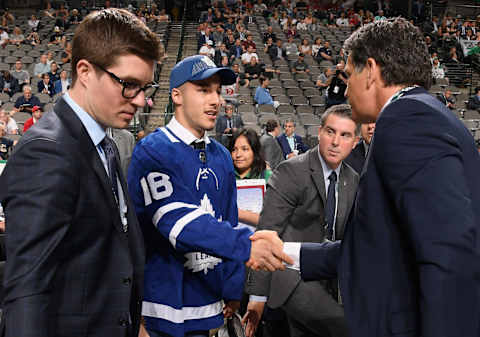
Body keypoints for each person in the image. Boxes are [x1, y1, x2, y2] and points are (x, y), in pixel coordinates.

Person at [255, 17, 480, 337]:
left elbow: (448, 253)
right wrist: (286, 252)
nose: (345, 89)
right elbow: (380, 247)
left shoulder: (408, 118)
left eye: (348, 75)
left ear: (371, 71)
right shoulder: (425, 115)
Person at [0, 8, 163, 337]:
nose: (141, 101)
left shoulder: (106, 141)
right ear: (85, 72)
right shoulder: (46, 151)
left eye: (146, 87)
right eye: (129, 85)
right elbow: (27, 291)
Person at [127, 55, 293, 337]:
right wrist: (247, 246)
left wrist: (232, 288)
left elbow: (228, 219)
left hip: (209, 304)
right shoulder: (152, 151)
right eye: (204, 90)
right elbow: (177, 222)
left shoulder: (221, 156)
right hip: (160, 307)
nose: (216, 100)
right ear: (176, 95)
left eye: (217, 90)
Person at [244, 104, 359, 337]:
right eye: (330, 132)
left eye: (345, 135)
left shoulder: (353, 179)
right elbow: (266, 233)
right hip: (290, 275)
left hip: (328, 279)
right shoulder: (292, 171)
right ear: (319, 133)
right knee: (346, 328)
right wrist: (257, 297)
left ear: (354, 142)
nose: (336, 141)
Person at [230, 128, 272, 226]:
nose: (238, 155)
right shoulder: (224, 176)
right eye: (234, 150)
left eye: (245, 149)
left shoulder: (267, 177)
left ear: (255, 151)